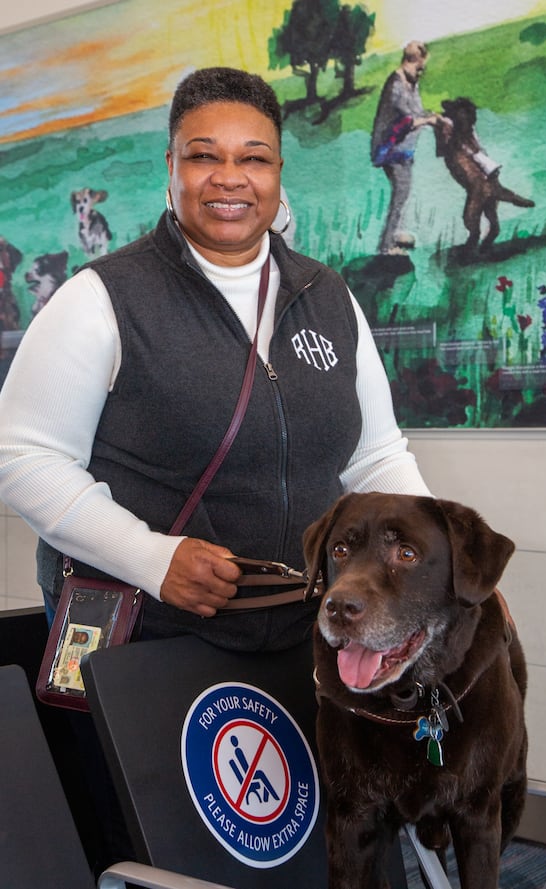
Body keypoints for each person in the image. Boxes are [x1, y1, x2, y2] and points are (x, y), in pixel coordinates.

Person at [0, 66, 432, 653]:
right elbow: (23, 456)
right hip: (148, 631)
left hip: (301, 631)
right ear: (171, 166)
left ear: (278, 173)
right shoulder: (100, 297)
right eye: (204, 156)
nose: (230, 179)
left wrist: (434, 569)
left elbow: (375, 456)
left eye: (254, 159)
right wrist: (151, 558)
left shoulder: (326, 294)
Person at [371, 41, 438, 253]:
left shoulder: (412, 82)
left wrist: (431, 116)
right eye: (420, 67)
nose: (421, 72)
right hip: (391, 149)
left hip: (404, 148)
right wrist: (427, 121)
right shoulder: (396, 84)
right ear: (410, 60)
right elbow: (406, 119)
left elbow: (417, 111)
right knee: (401, 191)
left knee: (404, 191)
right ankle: (386, 246)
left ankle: (395, 234)